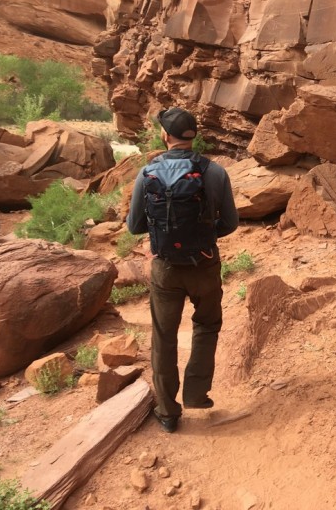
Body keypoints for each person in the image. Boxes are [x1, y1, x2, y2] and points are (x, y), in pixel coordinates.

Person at [127, 107, 238, 433]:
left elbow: (134, 226)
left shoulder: (146, 173)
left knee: (164, 337)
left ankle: (168, 411)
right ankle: (196, 394)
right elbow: (230, 222)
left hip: (165, 270)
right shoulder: (214, 172)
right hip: (204, 265)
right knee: (206, 325)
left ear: (165, 135)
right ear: (194, 136)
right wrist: (203, 235)